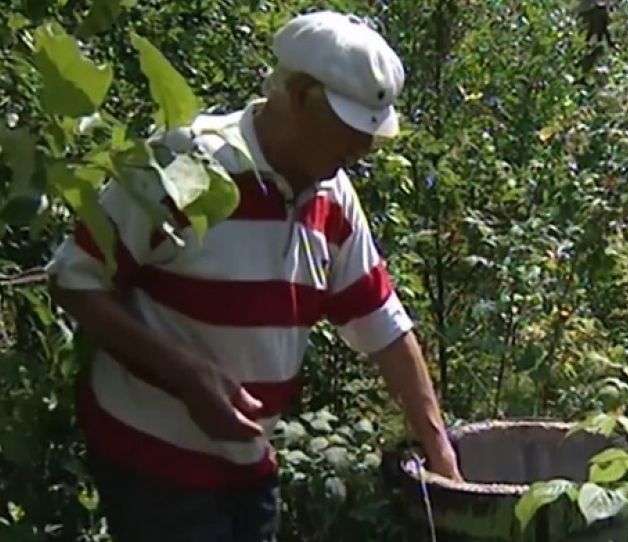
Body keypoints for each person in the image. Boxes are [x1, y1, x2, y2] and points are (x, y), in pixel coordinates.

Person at [45, 10, 461, 542]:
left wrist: (441, 453)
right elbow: (74, 279)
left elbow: (382, 323)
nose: (360, 149)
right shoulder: (185, 164)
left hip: (250, 466)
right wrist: (188, 377)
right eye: (350, 129)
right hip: (151, 463)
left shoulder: (332, 196)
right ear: (300, 96)